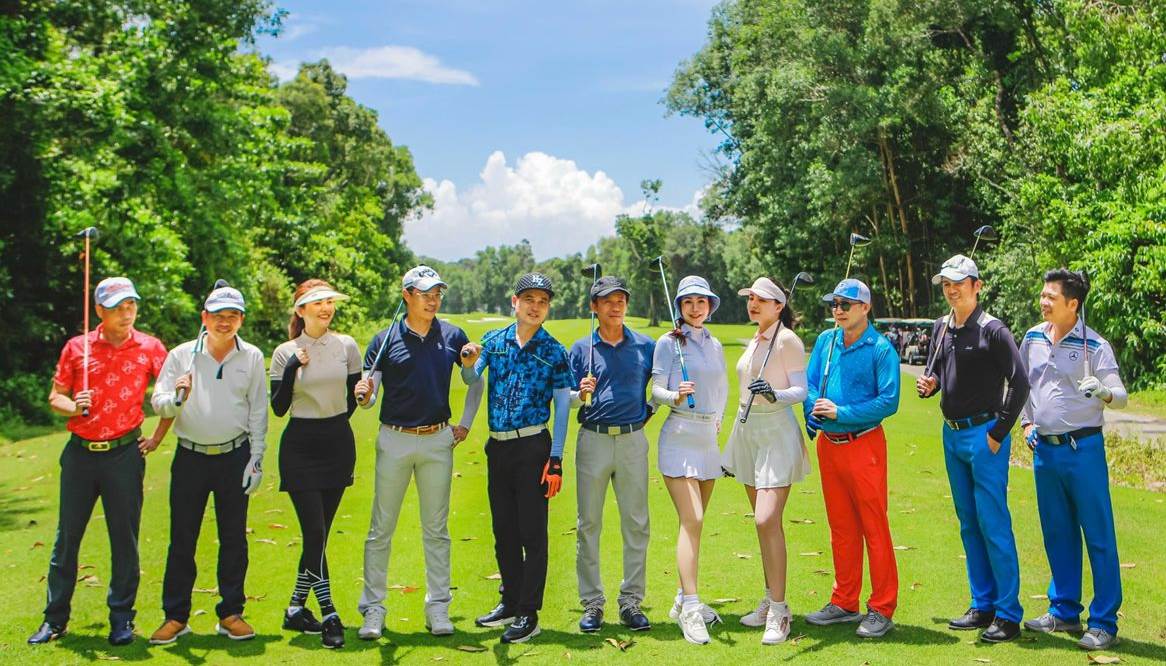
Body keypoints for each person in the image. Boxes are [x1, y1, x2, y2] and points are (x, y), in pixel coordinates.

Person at [30, 277, 171, 646]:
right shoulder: (78, 348)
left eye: (130, 306)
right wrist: (73, 406)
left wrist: (158, 436)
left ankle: (122, 619)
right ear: (98, 311)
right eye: (116, 308)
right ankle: (55, 619)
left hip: (124, 455)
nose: (126, 313)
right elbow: (56, 397)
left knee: (124, 539)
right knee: (67, 539)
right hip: (80, 455)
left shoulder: (150, 347)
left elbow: (172, 394)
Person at [354, 266, 478, 640]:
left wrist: (465, 423)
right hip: (394, 439)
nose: (433, 300)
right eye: (425, 294)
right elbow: (368, 398)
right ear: (407, 295)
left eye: (437, 293)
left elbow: (473, 380)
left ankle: (438, 607)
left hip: (438, 439)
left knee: (436, 529)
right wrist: (363, 395)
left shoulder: (453, 336)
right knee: (381, 529)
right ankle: (373, 609)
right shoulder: (383, 340)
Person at [916, 255, 1029, 643]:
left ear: (977, 286)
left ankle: (1008, 613)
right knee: (969, 522)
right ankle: (983, 604)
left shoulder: (993, 330)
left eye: (959, 283)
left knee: (993, 522)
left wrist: (998, 432)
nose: (951, 290)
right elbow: (939, 373)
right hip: (952, 435)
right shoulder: (941, 327)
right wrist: (931, 385)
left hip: (985, 436)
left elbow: (1020, 382)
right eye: (946, 284)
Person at [148, 285, 268, 644]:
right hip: (190, 457)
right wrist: (176, 397)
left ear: (241, 319)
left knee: (234, 538)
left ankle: (230, 613)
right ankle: (176, 616)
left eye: (232, 316)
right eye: (218, 316)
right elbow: (158, 402)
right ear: (204, 318)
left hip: (235, 455)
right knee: (182, 538)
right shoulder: (182, 355)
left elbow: (258, 409)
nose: (224, 322)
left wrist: (256, 458)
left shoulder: (251, 356)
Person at [1018, 269, 1128, 651]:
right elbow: (1023, 385)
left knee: (1098, 535)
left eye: (1051, 297)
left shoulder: (1095, 345)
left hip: (1084, 451)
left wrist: (1104, 391)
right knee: (1057, 533)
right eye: (1043, 295)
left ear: (1073, 304)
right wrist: (1027, 422)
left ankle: (1104, 621)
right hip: (1045, 451)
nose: (1043, 302)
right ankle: (1064, 610)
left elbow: (1120, 395)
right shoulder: (1033, 337)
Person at [462, 273, 574, 644]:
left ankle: (529, 612)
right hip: (498, 447)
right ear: (515, 302)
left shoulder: (554, 350)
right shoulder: (493, 341)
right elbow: (471, 379)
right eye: (529, 299)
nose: (535, 307)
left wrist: (555, 459)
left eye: (542, 301)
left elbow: (562, 408)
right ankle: (510, 602)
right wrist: (468, 362)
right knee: (504, 531)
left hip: (533, 448)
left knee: (532, 533)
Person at [803, 278, 900, 639]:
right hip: (829, 446)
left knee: (874, 527)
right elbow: (810, 385)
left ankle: (882, 607)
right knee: (841, 527)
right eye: (834, 304)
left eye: (845, 304)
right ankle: (845, 601)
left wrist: (840, 412)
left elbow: (888, 401)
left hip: (864, 445)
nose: (838, 310)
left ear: (865, 308)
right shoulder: (826, 341)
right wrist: (812, 412)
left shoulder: (881, 349)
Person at [270, 279, 362, 649]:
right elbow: (279, 407)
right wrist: (292, 367)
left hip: (337, 444)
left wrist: (337, 420)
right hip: (300, 448)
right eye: (317, 303)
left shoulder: (347, 346)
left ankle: (295, 608)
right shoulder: (285, 352)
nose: (326, 308)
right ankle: (329, 613)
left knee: (318, 536)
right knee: (314, 533)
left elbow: (353, 397)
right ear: (301, 310)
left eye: (329, 302)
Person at [721, 277, 808, 645]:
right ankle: (770, 598)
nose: (753, 304)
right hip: (748, 433)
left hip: (776, 433)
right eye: (751, 299)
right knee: (762, 527)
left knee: (766, 518)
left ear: (779, 305)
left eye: (762, 299)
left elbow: (801, 390)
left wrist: (774, 393)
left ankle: (780, 610)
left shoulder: (787, 340)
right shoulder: (756, 339)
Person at [568, 276, 657, 633]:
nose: (615, 306)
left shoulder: (646, 346)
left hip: (633, 441)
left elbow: (662, 385)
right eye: (607, 300)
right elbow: (566, 399)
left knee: (636, 523)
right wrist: (580, 393)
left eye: (620, 299)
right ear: (594, 307)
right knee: (588, 523)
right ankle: (592, 603)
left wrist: (649, 411)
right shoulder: (581, 349)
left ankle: (631, 601)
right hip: (593, 440)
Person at [651, 275, 728, 645]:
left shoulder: (715, 344)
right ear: (679, 307)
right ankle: (692, 608)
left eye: (701, 302)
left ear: (709, 306)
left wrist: (719, 419)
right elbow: (655, 390)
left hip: (707, 440)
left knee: (696, 525)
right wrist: (675, 395)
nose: (695, 308)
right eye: (688, 302)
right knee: (692, 518)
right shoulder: (669, 343)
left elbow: (722, 388)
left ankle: (683, 598)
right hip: (679, 436)